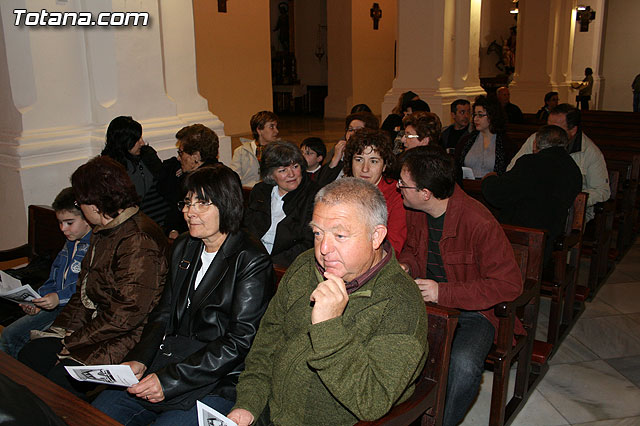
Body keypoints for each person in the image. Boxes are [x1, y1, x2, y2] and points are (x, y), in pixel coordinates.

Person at [227, 178, 429, 426]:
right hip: (269, 413)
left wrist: (329, 326)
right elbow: (266, 345)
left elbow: (371, 401)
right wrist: (248, 404)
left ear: (376, 236)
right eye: (317, 233)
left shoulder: (400, 303)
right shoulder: (304, 266)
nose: (323, 248)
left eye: (340, 235)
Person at [92, 164, 275, 426]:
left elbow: (239, 342)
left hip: (218, 376)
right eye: (188, 203)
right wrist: (140, 358)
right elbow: (164, 311)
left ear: (227, 205)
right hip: (171, 358)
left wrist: (170, 380)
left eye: (202, 204)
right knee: (99, 413)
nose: (190, 212)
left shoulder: (250, 260)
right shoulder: (184, 246)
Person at [18, 156, 168, 398]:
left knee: (58, 381)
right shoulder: (105, 230)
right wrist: (64, 331)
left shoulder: (138, 239)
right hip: (98, 327)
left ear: (96, 201)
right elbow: (83, 292)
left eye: (80, 200)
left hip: (128, 336)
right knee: (32, 354)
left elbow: (127, 314)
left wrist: (75, 341)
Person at [396, 146, 522, 426]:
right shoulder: (417, 210)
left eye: (404, 185)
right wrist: (407, 266)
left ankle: (442, 421)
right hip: (429, 305)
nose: (399, 189)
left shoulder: (478, 221)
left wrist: (443, 292)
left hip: (476, 311)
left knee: (463, 365)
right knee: (392, 345)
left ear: (426, 193)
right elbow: (414, 251)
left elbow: (509, 285)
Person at [0, 188, 91, 358]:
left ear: (87, 218)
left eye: (69, 222)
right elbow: (55, 274)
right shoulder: (70, 242)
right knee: (10, 335)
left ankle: (19, 376)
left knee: (12, 337)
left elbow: (88, 284)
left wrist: (58, 297)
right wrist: (37, 299)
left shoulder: (95, 244)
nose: (63, 228)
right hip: (54, 305)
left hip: (73, 310)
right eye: (60, 222)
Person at [482, 125, 583, 264]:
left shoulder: (530, 163)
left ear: (535, 144)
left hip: (520, 241)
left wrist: (489, 179)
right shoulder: (573, 169)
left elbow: (497, 194)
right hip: (549, 240)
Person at [508, 103, 610, 222]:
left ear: (573, 130)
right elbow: (512, 170)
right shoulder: (535, 140)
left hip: (570, 212)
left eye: (555, 129)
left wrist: (570, 198)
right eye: (548, 126)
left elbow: (602, 191)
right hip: (533, 203)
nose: (549, 133)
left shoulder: (589, 152)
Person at [243, 141, 318, 267]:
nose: (291, 174)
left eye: (295, 167)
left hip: (287, 265)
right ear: (271, 174)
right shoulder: (261, 191)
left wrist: (271, 264)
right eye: (283, 170)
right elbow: (247, 228)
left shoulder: (314, 195)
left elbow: (308, 243)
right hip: (253, 260)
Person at [343, 128, 406, 253]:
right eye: (359, 159)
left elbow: (393, 246)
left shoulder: (397, 195)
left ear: (384, 166)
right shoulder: (343, 190)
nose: (365, 169)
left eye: (373, 161)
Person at [101, 116, 170, 227]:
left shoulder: (148, 155)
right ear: (124, 141)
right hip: (138, 225)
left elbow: (164, 184)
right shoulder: (110, 168)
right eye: (137, 140)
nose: (142, 143)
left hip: (164, 220)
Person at [158, 124, 220, 239]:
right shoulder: (188, 177)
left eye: (181, 153)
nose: (178, 158)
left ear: (196, 156)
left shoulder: (214, 180)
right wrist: (172, 229)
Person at [455, 95, 515, 178]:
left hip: (493, 187)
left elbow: (509, 172)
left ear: (492, 116)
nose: (475, 119)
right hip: (468, 186)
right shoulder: (466, 141)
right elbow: (456, 166)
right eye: (474, 115)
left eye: (480, 115)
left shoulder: (506, 144)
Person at [317, 111, 379, 187]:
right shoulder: (341, 152)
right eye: (350, 130)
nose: (352, 134)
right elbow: (320, 184)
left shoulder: (373, 155)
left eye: (359, 130)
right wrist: (335, 159)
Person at [230, 111, 279, 187]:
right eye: (271, 127)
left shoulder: (279, 151)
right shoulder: (241, 152)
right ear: (259, 130)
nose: (276, 131)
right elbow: (234, 179)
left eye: (276, 127)